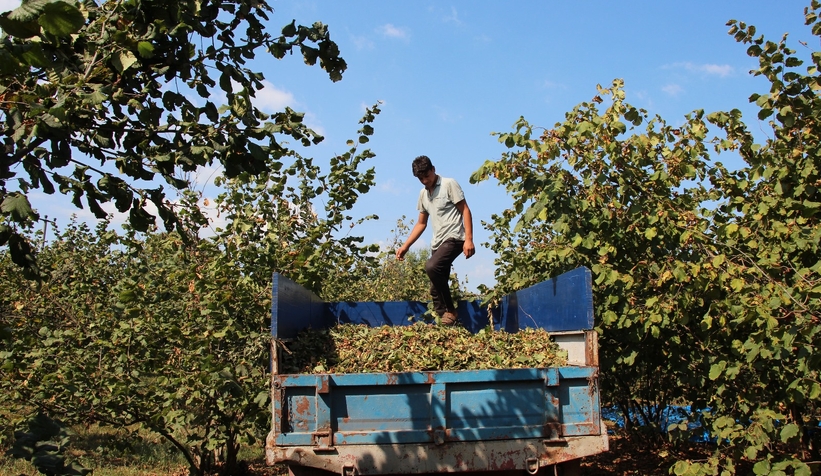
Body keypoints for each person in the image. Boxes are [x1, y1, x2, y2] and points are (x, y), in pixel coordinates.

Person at [395, 155, 475, 326]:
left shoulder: (448, 184)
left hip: (454, 238)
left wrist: (468, 239)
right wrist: (405, 246)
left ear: (433, 169)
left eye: (427, 176)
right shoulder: (423, 194)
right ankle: (445, 323)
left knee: (432, 267)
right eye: (420, 178)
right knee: (435, 288)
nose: (425, 180)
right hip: (437, 243)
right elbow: (421, 223)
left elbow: (465, 210)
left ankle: (451, 310)